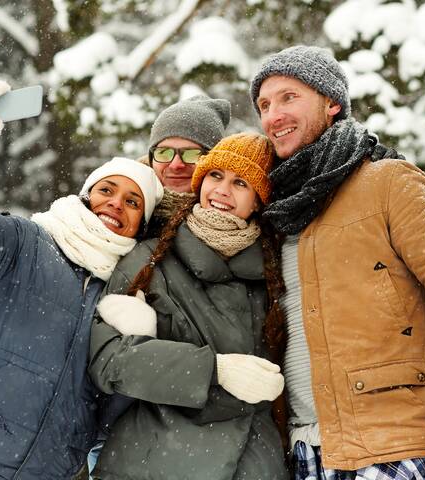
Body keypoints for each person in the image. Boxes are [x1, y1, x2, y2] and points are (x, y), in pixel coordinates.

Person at [0, 80, 162, 480]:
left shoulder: (125, 294)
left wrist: (138, 344)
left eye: (132, 201)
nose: (115, 204)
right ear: (87, 195)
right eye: (107, 189)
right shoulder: (27, 243)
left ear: (142, 223)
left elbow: (108, 414)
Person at [250, 45, 425, 480]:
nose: (273, 116)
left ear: (332, 102)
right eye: (264, 105)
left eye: (289, 97)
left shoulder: (388, 182)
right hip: (305, 456)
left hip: (393, 446)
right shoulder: (278, 211)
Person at [86, 132, 288, 479]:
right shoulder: (149, 259)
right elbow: (107, 359)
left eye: (240, 182)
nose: (222, 190)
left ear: (258, 200)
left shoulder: (275, 275)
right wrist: (213, 371)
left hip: (254, 462)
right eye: (214, 176)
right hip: (153, 460)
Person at [141, 94, 232, 236]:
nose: (176, 165)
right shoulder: (121, 207)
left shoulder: (238, 220)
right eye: (164, 152)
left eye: (191, 154)